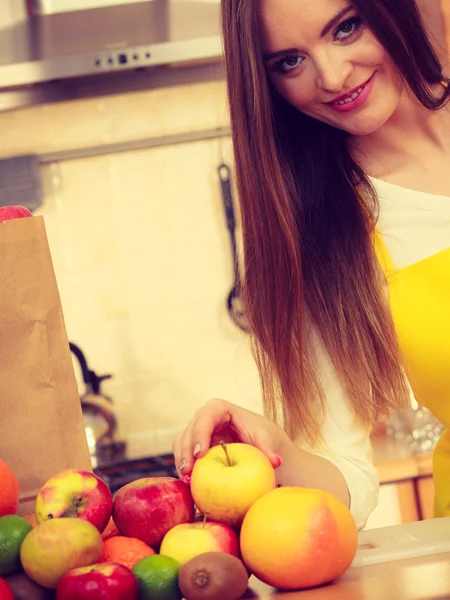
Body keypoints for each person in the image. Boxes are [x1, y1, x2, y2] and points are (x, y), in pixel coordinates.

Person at [172, 0, 450, 530]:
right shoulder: (324, 233)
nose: (331, 76)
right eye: (289, 62)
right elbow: (350, 483)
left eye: (346, 28)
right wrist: (276, 451)